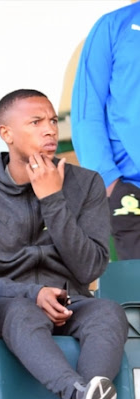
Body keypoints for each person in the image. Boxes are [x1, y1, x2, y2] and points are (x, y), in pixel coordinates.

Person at [0, 89, 128, 399]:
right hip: (11, 307)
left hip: (70, 301)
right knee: (22, 313)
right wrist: (33, 294)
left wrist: (52, 199)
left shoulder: (86, 183)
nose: (50, 130)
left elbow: (90, 265)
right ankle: (79, 396)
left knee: (108, 312)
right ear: (6, 133)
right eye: (36, 122)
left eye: (52, 120)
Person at [71, 2, 140, 260]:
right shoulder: (114, 26)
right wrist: (109, 181)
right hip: (131, 188)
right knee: (136, 292)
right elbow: (86, 110)